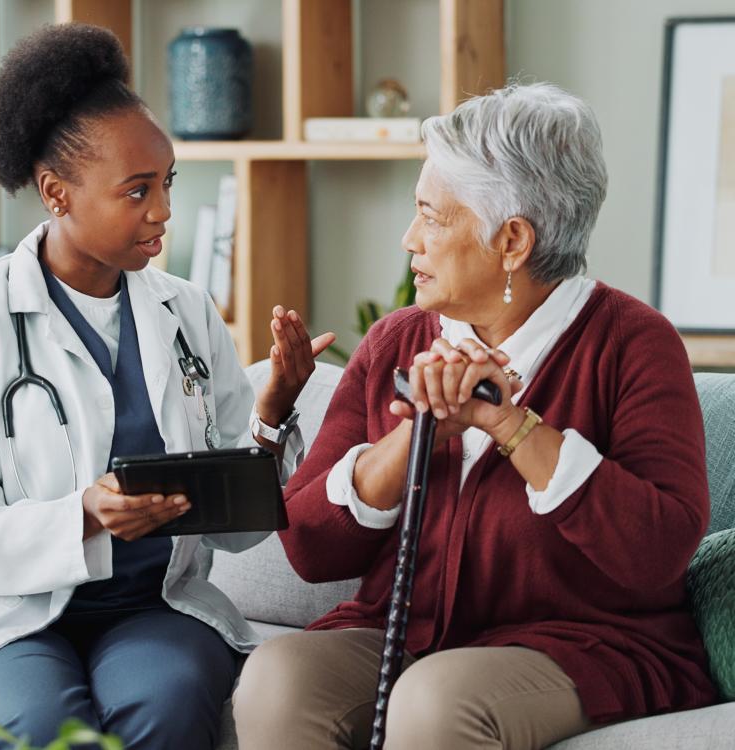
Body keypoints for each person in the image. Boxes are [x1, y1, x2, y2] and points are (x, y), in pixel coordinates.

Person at [0, 23, 334, 750]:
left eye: (168, 183)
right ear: (57, 193)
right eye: (136, 191)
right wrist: (83, 514)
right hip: (9, 615)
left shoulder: (186, 312)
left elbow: (241, 532)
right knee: (37, 725)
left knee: (168, 702)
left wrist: (272, 418)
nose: (164, 212)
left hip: (154, 606)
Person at [233, 82, 717, 750]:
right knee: (278, 677)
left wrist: (510, 426)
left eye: (432, 217)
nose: (409, 240)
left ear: (512, 240)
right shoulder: (395, 342)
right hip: (406, 630)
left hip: (581, 646)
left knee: (434, 702)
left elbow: (659, 548)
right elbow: (309, 547)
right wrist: (416, 433)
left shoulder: (634, 343)